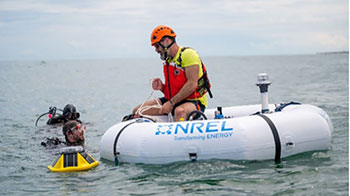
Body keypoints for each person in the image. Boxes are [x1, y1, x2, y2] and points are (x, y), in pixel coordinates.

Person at [132, 25, 212, 121]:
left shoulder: (189, 55)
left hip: (194, 102)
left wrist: (171, 103)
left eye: (157, 46)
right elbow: (173, 91)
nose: (156, 50)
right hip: (173, 101)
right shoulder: (168, 61)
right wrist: (162, 87)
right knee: (138, 110)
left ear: (166, 41)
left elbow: (192, 84)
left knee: (179, 111)